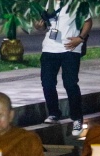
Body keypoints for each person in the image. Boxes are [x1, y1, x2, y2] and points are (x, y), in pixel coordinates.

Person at [34, 0, 92, 137]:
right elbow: (43, 25)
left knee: (70, 83)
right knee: (47, 83)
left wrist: (80, 38)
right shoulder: (48, 3)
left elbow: (88, 21)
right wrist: (39, 26)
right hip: (50, 48)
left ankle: (77, 118)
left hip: (70, 48)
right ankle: (54, 113)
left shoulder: (78, 3)